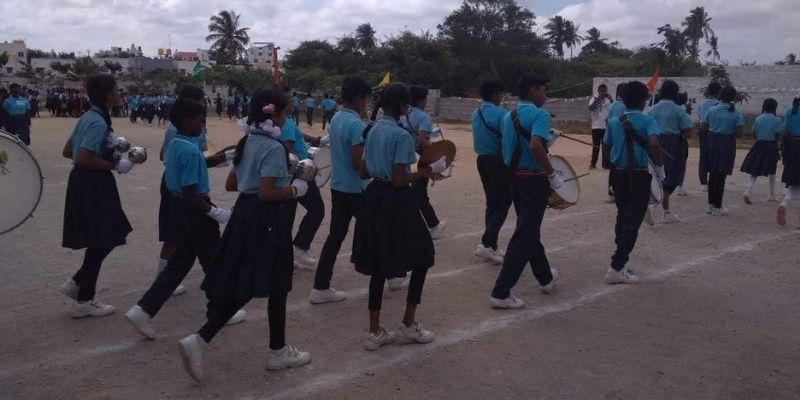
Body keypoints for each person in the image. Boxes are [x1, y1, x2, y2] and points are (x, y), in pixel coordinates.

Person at [178, 87, 312, 382]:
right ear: (274, 114)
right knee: (276, 282)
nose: (286, 117)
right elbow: (267, 193)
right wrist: (295, 189)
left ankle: (204, 340)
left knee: (256, 281)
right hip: (267, 218)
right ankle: (274, 351)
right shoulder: (274, 147)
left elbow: (231, 184)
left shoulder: (246, 140)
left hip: (244, 214)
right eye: (285, 112)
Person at [123, 97, 245, 339]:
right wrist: (215, 212)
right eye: (200, 120)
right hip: (196, 210)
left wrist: (226, 155)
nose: (203, 125)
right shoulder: (189, 150)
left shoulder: (177, 144)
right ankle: (220, 310)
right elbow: (190, 192)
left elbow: (199, 165)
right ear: (189, 121)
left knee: (179, 264)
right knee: (215, 261)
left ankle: (143, 309)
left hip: (183, 210)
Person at [352, 82, 446, 350]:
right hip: (396, 201)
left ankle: (375, 331)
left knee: (379, 264)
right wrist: (426, 172)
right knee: (423, 257)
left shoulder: (372, 130)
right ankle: (408, 323)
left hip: (374, 197)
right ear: (404, 106)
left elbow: (363, 172)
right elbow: (399, 179)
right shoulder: (402, 136)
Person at [59, 74, 134, 318]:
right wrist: (114, 165)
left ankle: (78, 283)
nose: (120, 93)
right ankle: (84, 298)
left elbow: (68, 150)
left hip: (85, 181)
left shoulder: (89, 116)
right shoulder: (98, 122)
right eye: (117, 89)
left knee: (104, 236)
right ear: (107, 94)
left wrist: (109, 151)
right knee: (104, 237)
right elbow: (82, 157)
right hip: (93, 183)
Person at [489, 74, 561, 309]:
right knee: (525, 234)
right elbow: (535, 145)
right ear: (532, 91)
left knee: (529, 229)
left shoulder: (507, 116)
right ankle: (501, 292)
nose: (545, 95)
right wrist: (552, 174)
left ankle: (546, 278)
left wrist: (546, 141)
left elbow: (518, 146)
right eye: (543, 90)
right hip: (533, 179)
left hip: (514, 178)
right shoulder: (540, 115)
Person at [311, 77, 371, 304]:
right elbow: (358, 164)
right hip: (356, 189)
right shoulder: (356, 125)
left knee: (335, 236)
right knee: (377, 229)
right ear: (358, 98)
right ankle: (392, 275)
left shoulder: (336, 118)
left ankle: (320, 285)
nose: (366, 104)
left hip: (339, 186)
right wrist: (378, 169)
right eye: (365, 99)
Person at [603, 81, 665, 284]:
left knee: (622, 216)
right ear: (644, 100)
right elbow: (654, 143)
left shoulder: (614, 121)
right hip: (639, 175)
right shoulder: (649, 120)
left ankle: (622, 260)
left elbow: (607, 145)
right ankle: (617, 266)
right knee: (632, 222)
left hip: (618, 174)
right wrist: (659, 166)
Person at [280, 91, 325, 269]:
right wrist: (302, 170)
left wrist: (318, 140)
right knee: (317, 210)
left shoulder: (286, 121)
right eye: (290, 101)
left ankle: (284, 257)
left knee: (287, 218)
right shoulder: (287, 123)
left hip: (292, 175)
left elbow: (298, 135)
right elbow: (286, 151)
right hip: (300, 174)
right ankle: (300, 246)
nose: (293, 103)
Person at [471, 79, 511, 264]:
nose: (502, 97)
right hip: (498, 160)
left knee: (492, 202)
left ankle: (492, 246)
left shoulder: (476, 113)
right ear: (496, 94)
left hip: (482, 160)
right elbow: (509, 139)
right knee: (503, 202)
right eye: (501, 94)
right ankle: (486, 243)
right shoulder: (502, 114)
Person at [403, 85, 446, 239]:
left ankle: (432, 224)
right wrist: (436, 155)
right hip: (422, 155)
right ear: (421, 99)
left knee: (417, 192)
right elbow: (422, 139)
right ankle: (432, 226)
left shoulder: (404, 113)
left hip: (406, 153)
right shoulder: (423, 117)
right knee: (418, 193)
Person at [647, 80, 692, 223]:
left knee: (656, 174)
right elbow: (687, 131)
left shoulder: (652, 109)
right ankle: (665, 210)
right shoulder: (679, 110)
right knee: (673, 176)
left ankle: (655, 204)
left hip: (654, 142)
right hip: (674, 144)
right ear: (675, 93)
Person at [700, 86, 743, 216]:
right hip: (727, 143)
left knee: (712, 174)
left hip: (712, 141)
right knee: (721, 176)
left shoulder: (711, 110)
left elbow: (703, 128)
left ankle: (710, 205)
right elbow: (739, 133)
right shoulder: (736, 113)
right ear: (733, 97)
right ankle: (718, 206)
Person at [741, 98, 781, 204]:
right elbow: (777, 136)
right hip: (771, 146)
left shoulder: (758, 119)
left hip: (759, 145)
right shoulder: (777, 120)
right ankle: (772, 195)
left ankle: (748, 191)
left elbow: (754, 133)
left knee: (755, 169)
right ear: (775, 108)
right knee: (772, 170)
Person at [777, 96, 800, 226]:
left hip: (791, 146)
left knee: (794, 181)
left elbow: (784, 131)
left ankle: (784, 203)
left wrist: (780, 147)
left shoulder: (790, 111)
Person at [604, 83, 628, 202]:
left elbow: (607, 121)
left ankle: (610, 193)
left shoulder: (611, 106)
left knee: (613, 166)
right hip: (623, 138)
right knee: (623, 165)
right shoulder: (626, 106)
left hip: (612, 137)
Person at [697, 82, 722, 192]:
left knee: (703, 156)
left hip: (703, 131)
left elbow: (700, 117)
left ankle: (703, 182)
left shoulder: (702, 103)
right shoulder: (719, 104)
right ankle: (713, 180)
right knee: (715, 156)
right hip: (715, 131)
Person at [588, 84, 613, 170]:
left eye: (605, 91)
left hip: (605, 127)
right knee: (596, 146)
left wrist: (611, 100)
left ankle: (605, 164)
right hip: (596, 127)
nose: (603, 93)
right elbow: (590, 108)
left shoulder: (607, 100)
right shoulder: (594, 98)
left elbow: (613, 109)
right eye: (602, 91)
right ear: (598, 91)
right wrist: (598, 99)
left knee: (605, 147)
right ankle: (593, 163)